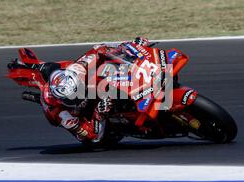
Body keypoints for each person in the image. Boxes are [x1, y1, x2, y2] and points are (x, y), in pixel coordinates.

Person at [21, 37, 150, 144]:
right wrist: (98, 115)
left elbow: (99, 49)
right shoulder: (63, 115)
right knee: (99, 141)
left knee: (104, 67)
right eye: (73, 98)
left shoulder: (78, 69)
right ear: (63, 100)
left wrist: (131, 47)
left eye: (78, 92)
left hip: (78, 83)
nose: (79, 97)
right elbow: (92, 136)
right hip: (86, 118)